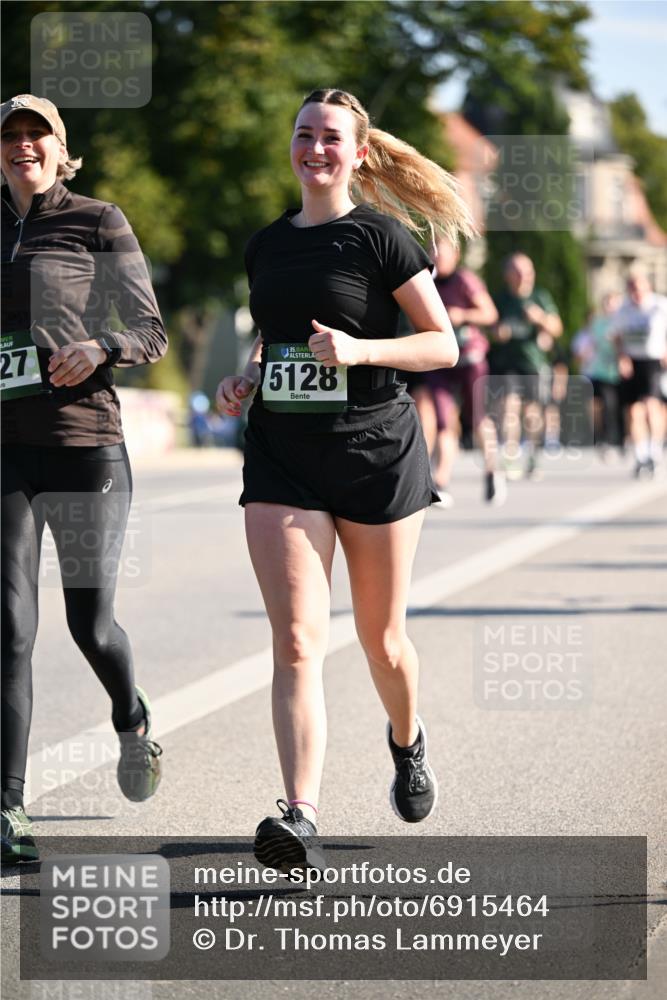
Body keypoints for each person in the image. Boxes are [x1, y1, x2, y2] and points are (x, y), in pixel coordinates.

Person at [217, 88, 475, 872]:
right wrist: (246, 377)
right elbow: (274, 338)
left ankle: (407, 739)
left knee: (381, 642)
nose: (315, 148)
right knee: (297, 640)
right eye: (304, 134)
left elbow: (441, 345)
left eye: (330, 137)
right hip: (282, 455)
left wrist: (362, 351)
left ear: (358, 153)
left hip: (373, 454)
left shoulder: (382, 237)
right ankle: (299, 816)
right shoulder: (266, 244)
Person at [1, 95, 167, 864]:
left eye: (36, 134)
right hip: (6, 450)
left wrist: (101, 347)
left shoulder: (97, 221)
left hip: (84, 447)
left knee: (89, 625)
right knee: (9, 628)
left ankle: (130, 716)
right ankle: (9, 808)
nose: (22, 145)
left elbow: (150, 330)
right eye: (9, 136)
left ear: (59, 148)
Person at [414, 237, 500, 506]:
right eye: (432, 252)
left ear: (456, 255)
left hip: (470, 359)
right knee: (443, 420)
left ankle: (491, 471)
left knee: (477, 419)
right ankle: (441, 482)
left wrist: (462, 316)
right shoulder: (425, 282)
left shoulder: (465, 280)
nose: (436, 257)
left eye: (442, 252)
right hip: (441, 362)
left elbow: (490, 314)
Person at [488, 253, 563, 481]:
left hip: (534, 363)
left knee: (532, 413)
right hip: (508, 362)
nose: (524, 276)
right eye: (518, 271)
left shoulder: (540, 296)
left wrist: (540, 319)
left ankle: (532, 454)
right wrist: (497, 332)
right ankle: (510, 455)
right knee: (509, 407)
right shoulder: (501, 299)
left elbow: (557, 328)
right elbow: (489, 326)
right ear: (508, 275)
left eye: (528, 271)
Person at [610, 270, 667, 478]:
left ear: (648, 288)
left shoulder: (659, 306)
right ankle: (641, 456)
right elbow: (616, 336)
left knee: (652, 407)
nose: (637, 293)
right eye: (633, 289)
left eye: (640, 288)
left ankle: (655, 450)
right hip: (632, 361)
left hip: (653, 360)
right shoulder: (623, 309)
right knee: (634, 411)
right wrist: (621, 357)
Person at [571, 293, 624, 459]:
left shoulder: (624, 321)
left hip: (621, 371)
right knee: (606, 405)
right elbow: (587, 346)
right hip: (601, 372)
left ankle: (622, 439)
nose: (611, 307)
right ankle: (606, 439)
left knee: (622, 407)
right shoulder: (598, 324)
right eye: (608, 303)